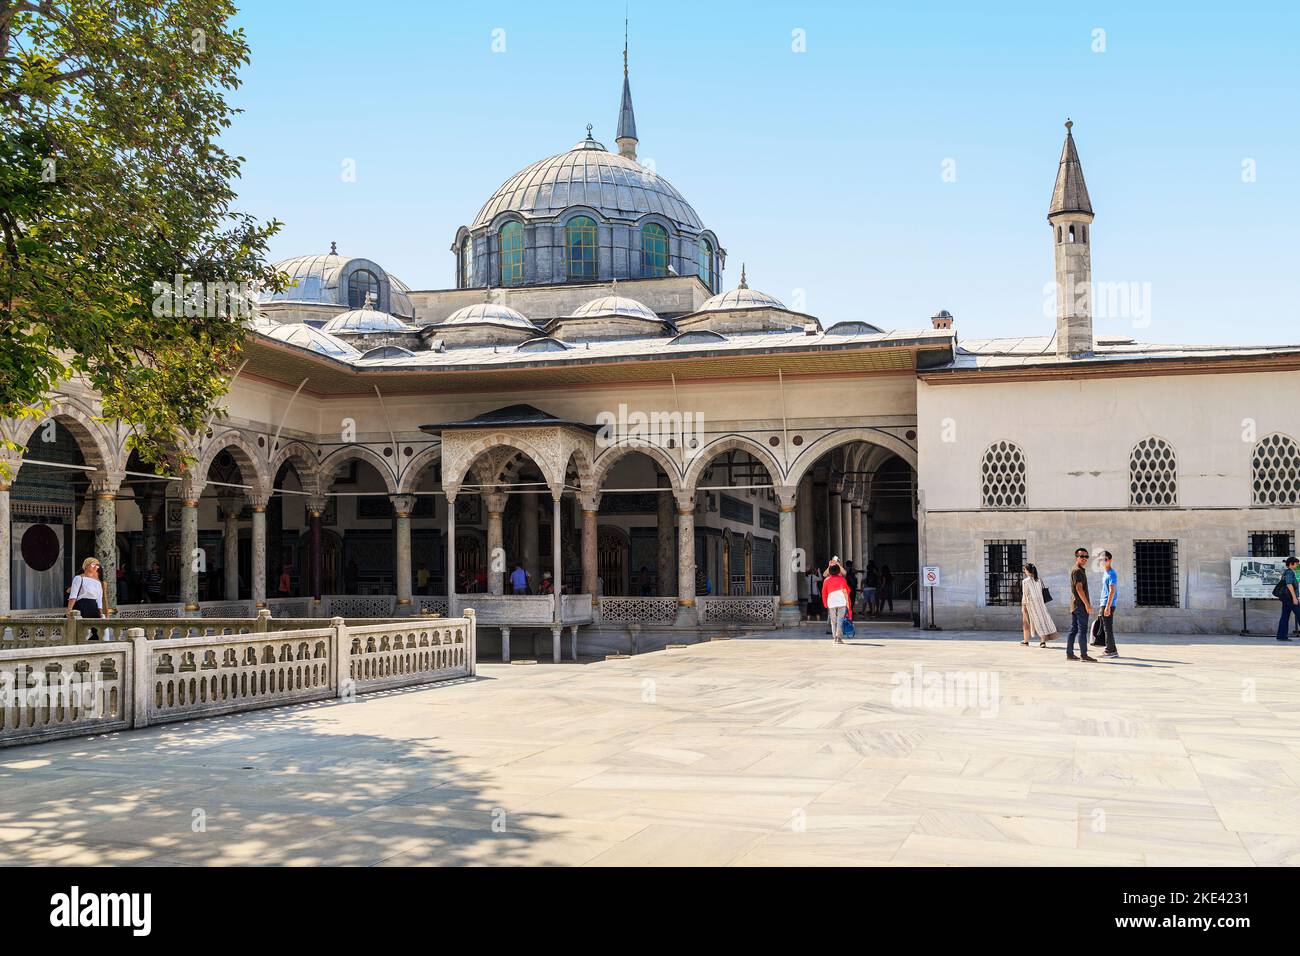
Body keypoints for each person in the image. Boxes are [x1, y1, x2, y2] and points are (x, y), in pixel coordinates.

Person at [1066, 547, 1096, 662]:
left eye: (1086, 556)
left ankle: (1070, 654)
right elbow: (1079, 589)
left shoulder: (1079, 570)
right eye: (1082, 556)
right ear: (1076, 557)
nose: (1084, 559)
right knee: (1082, 630)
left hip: (1075, 605)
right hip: (1080, 606)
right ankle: (1084, 655)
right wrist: (1087, 605)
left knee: (1073, 629)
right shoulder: (1077, 571)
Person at [67, 557, 104, 641]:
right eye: (93, 564)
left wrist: (100, 612)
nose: (96, 567)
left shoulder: (98, 582)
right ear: (86, 566)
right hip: (82, 605)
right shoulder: (79, 578)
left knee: (95, 633)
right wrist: (69, 610)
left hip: (94, 607)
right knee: (81, 632)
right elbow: (73, 596)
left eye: (97, 566)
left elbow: (99, 599)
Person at [1020, 562, 1057, 647]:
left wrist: (1023, 606)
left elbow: (1025, 595)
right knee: (1041, 621)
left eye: (1025, 569)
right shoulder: (1039, 580)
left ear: (1028, 570)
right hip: (1041, 605)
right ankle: (1042, 641)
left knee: (1026, 622)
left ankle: (1026, 641)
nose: (1024, 571)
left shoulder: (1025, 581)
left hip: (1030, 604)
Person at [1095, 550, 1119, 657]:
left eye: (1105, 559)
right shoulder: (1106, 573)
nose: (1102, 561)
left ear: (1110, 560)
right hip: (1104, 603)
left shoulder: (1112, 573)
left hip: (1107, 604)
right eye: (1100, 559)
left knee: (1107, 629)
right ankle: (1113, 649)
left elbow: (1112, 591)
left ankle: (1109, 651)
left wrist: (1108, 607)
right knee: (1107, 628)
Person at [821, 562, 852, 644]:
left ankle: (835, 637)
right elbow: (846, 591)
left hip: (831, 603)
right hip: (842, 602)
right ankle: (838, 637)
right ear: (838, 571)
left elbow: (824, 593)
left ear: (830, 571)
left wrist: (825, 603)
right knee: (840, 620)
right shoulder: (842, 579)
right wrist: (848, 603)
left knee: (833, 621)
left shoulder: (826, 580)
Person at [1277, 556, 1299, 641]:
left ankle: (1281, 636)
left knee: (1285, 616)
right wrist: (1294, 598)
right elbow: (1289, 584)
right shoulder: (1289, 572)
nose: (1297, 565)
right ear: (1291, 564)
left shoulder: (1288, 572)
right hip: (1290, 598)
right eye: (1296, 564)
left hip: (1286, 598)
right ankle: (1281, 636)